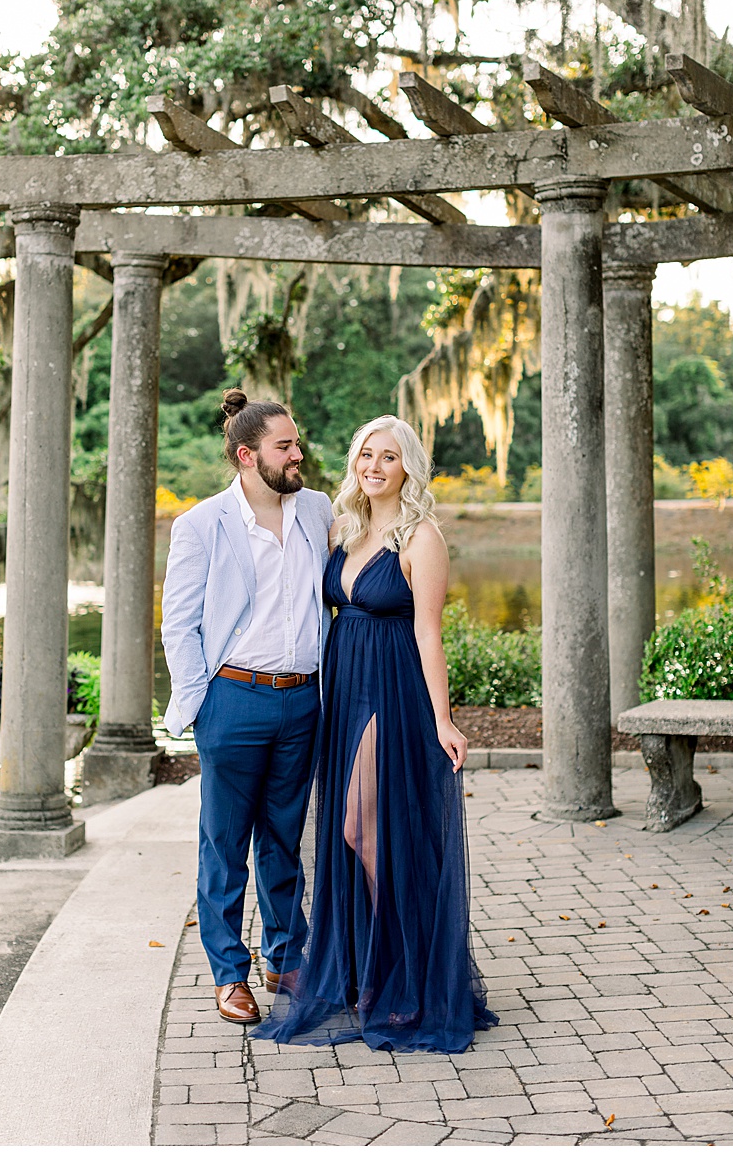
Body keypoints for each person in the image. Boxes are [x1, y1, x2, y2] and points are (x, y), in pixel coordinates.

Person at [256, 414, 497, 1053]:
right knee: (347, 828)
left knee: (368, 828)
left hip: (393, 692)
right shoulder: (346, 529)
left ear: (407, 468)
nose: (374, 466)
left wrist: (443, 718)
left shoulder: (421, 539)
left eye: (388, 457)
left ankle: (400, 972)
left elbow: (428, 633)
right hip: (344, 690)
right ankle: (364, 968)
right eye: (366, 454)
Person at [161, 390, 333, 1025]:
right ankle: (229, 971)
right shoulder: (202, 524)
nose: (298, 454)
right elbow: (178, 626)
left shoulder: (316, 509)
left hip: (304, 701)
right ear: (245, 455)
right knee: (225, 841)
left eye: (296, 443)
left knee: (285, 838)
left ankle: (286, 956)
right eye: (284, 446)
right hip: (232, 699)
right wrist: (202, 704)